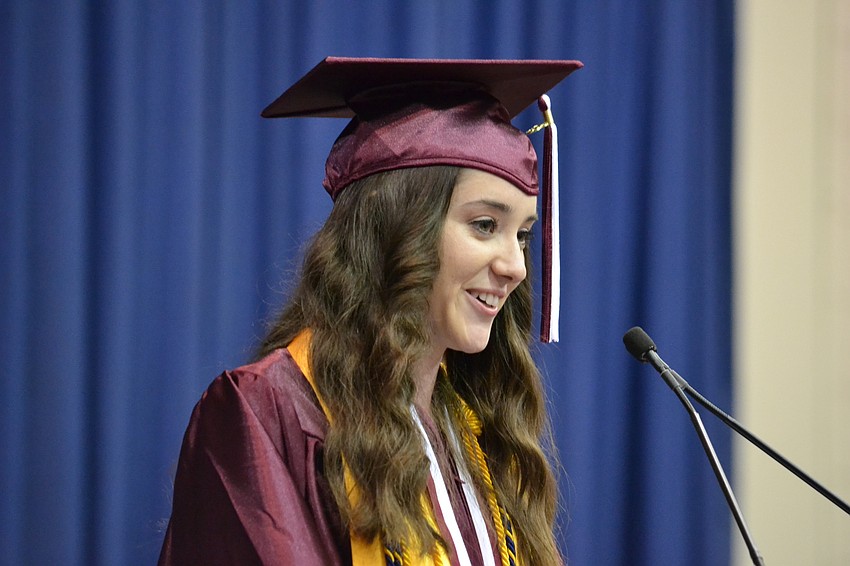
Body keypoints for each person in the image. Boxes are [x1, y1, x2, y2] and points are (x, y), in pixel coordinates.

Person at [158, 56, 582, 566]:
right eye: (485, 224)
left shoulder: (474, 430)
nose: (516, 266)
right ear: (397, 230)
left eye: (523, 235)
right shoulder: (269, 414)